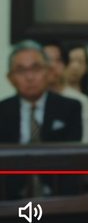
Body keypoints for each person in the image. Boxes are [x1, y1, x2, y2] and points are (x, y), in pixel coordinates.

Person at [0, 40, 82, 198]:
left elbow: (72, 158)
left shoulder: (70, 108)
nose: (30, 77)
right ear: (10, 78)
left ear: (48, 72)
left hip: (58, 194)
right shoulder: (2, 111)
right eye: (21, 70)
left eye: (36, 68)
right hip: (10, 196)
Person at [42, 39, 88, 142]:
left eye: (58, 60)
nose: (52, 65)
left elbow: (84, 143)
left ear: (65, 65)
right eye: (46, 60)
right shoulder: (31, 100)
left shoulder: (81, 101)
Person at [62, 43, 88, 128]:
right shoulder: (55, 94)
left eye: (80, 62)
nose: (75, 66)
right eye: (71, 61)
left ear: (86, 67)